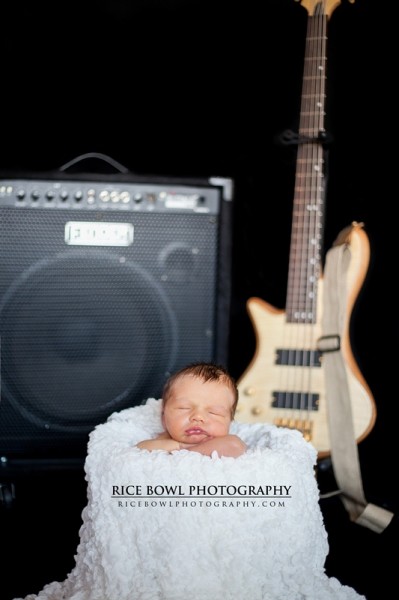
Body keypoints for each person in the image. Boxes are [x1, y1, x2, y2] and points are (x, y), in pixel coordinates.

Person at [136, 362, 247, 457]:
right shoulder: (163, 439)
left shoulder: (227, 441)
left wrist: (184, 450)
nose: (198, 417)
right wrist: (181, 447)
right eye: (184, 408)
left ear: (230, 421)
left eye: (214, 412)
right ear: (163, 417)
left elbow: (235, 445)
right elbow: (140, 448)